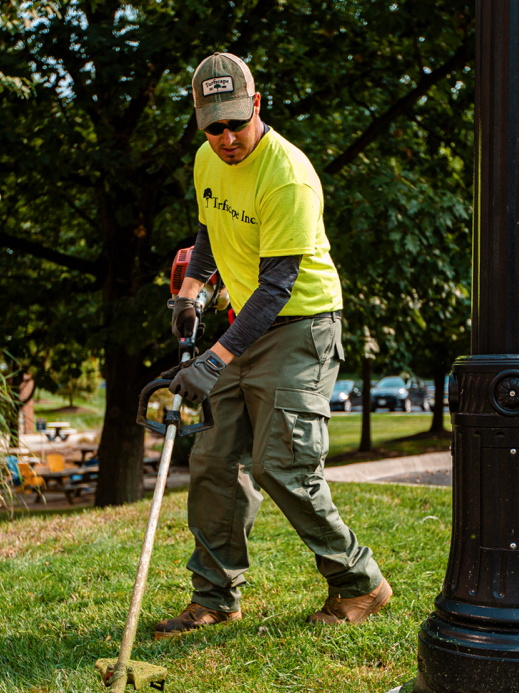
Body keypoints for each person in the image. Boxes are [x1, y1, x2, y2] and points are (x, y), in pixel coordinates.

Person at [155, 52, 391, 638]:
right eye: (214, 126)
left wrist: (213, 360)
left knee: (281, 462)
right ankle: (214, 596)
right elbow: (209, 229)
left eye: (236, 122)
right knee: (211, 460)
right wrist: (190, 291)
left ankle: (359, 582)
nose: (227, 138)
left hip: (301, 325)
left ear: (256, 105)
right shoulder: (206, 162)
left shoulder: (286, 175)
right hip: (247, 324)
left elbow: (277, 287)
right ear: (200, 121)